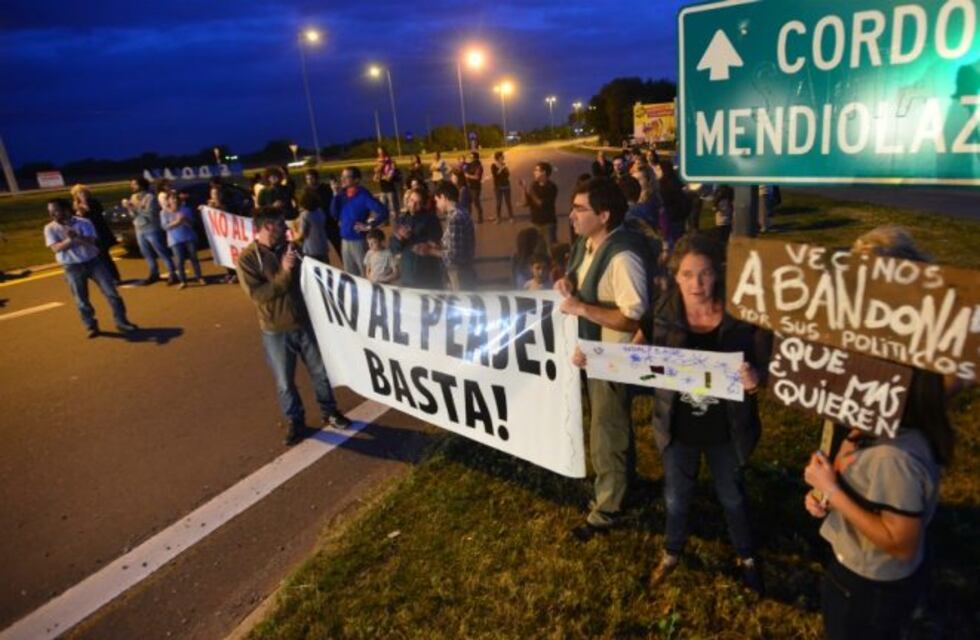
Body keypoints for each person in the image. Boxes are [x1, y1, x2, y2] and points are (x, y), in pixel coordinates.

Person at [803, 226, 954, 639]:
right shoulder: (884, 400)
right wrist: (827, 486)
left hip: (870, 586)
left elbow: (900, 541)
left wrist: (832, 491)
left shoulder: (896, 452)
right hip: (858, 569)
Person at [642, 234, 768, 595]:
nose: (697, 284)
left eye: (705, 274)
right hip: (677, 426)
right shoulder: (662, 312)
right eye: (688, 274)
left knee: (733, 496)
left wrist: (756, 380)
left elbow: (765, 366)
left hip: (726, 429)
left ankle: (747, 557)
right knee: (676, 497)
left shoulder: (742, 317)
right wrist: (593, 359)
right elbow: (632, 356)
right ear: (676, 275)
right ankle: (671, 552)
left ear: (718, 274)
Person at [557, 177, 650, 541]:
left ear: (605, 215)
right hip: (590, 354)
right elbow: (576, 276)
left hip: (613, 356)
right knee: (603, 426)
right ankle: (618, 483)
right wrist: (566, 282)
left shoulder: (623, 257)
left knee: (607, 432)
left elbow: (632, 316)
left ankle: (608, 508)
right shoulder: (587, 244)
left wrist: (582, 308)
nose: (572, 215)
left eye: (580, 209)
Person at [236, 207, 351, 445]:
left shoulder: (291, 250)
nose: (285, 228)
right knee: (285, 382)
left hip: (304, 323)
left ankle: (330, 411)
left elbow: (311, 279)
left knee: (320, 372)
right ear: (267, 226)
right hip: (275, 330)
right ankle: (295, 421)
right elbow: (259, 295)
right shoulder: (247, 259)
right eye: (280, 224)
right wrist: (285, 272)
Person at [44, 198, 136, 337]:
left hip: (94, 262)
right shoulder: (50, 228)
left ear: (66, 210)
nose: (53, 214)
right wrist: (70, 239)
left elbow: (92, 241)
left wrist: (78, 237)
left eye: (55, 211)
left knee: (112, 293)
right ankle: (91, 326)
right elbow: (56, 248)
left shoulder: (84, 222)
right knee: (81, 299)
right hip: (72, 267)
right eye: (50, 212)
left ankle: (122, 321)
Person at [329, 166, 389, 277]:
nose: (342, 179)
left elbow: (383, 212)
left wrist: (369, 225)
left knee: (365, 274)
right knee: (351, 276)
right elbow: (334, 214)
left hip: (358, 241)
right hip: (345, 241)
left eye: (346, 177)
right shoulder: (342, 194)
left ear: (356, 180)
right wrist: (335, 194)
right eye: (342, 176)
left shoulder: (363, 195)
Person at [122, 176, 176, 286]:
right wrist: (129, 208)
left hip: (152, 228)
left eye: (134, 184)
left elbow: (150, 214)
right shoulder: (133, 197)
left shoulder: (150, 197)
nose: (132, 186)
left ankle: (172, 273)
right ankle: (154, 273)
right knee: (146, 253)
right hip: (139, 229)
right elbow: (133, 215)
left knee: (161, 252)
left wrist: (134, 207)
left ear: (141, 185)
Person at [389, 188, 444, 289]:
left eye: (418, 203)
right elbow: (393, 248)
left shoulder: (431, 219)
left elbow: (436, 243)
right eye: (411, 200)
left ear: (423, 204)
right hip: (408, 274)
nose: (413, 205)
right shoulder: (402, 219)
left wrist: (416, 239)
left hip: (426, 274)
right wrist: (399, 238)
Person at [427, 181, 475, 291]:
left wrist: (430, 251)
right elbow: (456, 244)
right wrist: (439, 246)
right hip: (464, 271)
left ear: (443, 197)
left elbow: (454, 255)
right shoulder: (462, 212)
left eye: (437, 201)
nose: (437, 205)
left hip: (458, 273)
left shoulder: (455, 219)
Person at [70, 183, 119, 282]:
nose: (81, 194)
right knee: (96, 258)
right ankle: (104, 277)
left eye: (82, 192)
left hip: (99, 233)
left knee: (104, 256)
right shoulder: (75, 206)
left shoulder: (93, 202)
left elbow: (97, 217)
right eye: (78, 193)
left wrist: (85, 206)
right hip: (87, 235)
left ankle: (114, 277)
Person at [161, 191, 203, 288]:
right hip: (174, 240)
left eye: (176, 198)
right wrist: (177, 222)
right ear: (168, 200)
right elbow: (165, 227)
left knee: (194, 258)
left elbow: (192, 225)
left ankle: (199, 277)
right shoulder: (164, 213)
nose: (174, 200)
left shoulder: (185, 210)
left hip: (189, 237)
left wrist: (186, 220)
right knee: (179, 260)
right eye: (172, 198)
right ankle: (183, 281)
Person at [519, 162, 559, 252]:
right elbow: (526, 203)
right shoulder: (534, 185)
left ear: (544, 173)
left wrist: (531, 192)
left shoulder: (552, 187)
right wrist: (523, 189)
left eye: (537, 170)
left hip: (547, 224)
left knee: (551, 251)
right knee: (536, 251)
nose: (534, 172)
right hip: (534, 223)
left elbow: (541, 204)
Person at [205, 184, 240, 284]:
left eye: (215, 193)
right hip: (218, 235)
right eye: (212, 193)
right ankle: (230, 273)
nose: (213, 196)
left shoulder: (226, 205)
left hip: (228, 235)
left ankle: (235, 274)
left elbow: (227, 215)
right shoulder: (210, 205)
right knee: (223, 255)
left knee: (230, 254)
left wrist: (216, 207)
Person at [303, 169, 341, 257]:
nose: (309, 181)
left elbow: (335, 200)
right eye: (307, 179)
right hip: (318, 224)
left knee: (338, 245)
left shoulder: (326, 188)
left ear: (317, 178)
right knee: (321, 251)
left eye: (311, 178)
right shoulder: (307, 191)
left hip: (331, 222)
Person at [658, 161, 689, 250]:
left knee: (670, 239)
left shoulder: (663, 183)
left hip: (669, 214)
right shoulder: (677, 180)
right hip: (679, 214)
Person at [294, 189, 330, 264]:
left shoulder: (305, 215)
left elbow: (302, 234)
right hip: (323, 245)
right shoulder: (320, 211)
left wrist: (295, 238)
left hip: (311, 248)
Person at [374, 147, 399, 217]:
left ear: (385, 152)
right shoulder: (378, 164)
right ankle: (385, 221)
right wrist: (379, 169)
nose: (380, 154)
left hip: (390, 189)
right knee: (383, 208)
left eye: (381, 152)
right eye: (378, 153)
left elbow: (389, 178)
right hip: (382, 189)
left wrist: (381, 174)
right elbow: (375, 179)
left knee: (393, 208)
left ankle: (395, 223)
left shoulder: (391, 162)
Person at [491, 151, 514, 223]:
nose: (503, 158)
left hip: (506, 185)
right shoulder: (493, 166)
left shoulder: (504, 165)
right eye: (501, 157)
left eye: (503, 157)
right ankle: (498, 218)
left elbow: (507, 175)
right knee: (498, 203)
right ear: (497, 158)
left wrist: (506, 168)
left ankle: (511, 217)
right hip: (498, 187)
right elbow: (495, 175)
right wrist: (502, 168)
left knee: (508, 202)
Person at [464, 151, 485, 223]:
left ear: (475, 157)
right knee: (468, 203)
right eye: (469, 157)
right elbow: (463, 169)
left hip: (475, 187)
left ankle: (480, 217)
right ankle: (468, 218)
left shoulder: (479, 166)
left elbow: (477, 177)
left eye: (471, 157)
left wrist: (468, 176)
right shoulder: (469, 165)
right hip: (468, 186)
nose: (470, 158)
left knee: (476, 202)